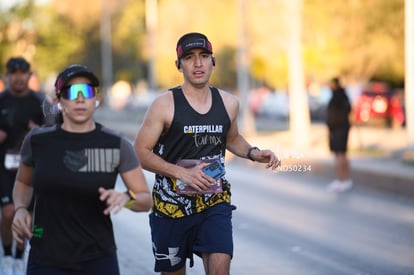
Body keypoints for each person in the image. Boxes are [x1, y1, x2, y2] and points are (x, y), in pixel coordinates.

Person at [134, 32, 281, 275]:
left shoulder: (229, 103)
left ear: (213, 61)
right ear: (179, 65)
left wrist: (254, 153)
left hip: (214, 202)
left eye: (204, 56)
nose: (198, 63)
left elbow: (232, 139)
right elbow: (140, 151)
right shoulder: (164, 104)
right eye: (190, 58)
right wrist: (182, 173)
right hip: (171, 208)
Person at [11, 64, 153, 274]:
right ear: (58, 100)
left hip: (97, 257)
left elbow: (145, 199)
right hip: (46, 257)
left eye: (86, 91)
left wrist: (126, 197)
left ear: (97, 98)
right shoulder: (37, 141)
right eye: (71, 92)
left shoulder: (116, 144)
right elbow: (23, 182)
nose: (79, 98)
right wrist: (20, 209)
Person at [0, 57, 50, 275]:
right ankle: (8, 255)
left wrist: (38, 131)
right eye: (14, 73)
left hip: (31, 167)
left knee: (27, 217)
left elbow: (57, 130)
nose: (18, 77)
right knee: (9, 213)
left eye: (23, 73)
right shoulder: (1, 100)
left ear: (30, 75)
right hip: (4, 168)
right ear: (7, 75)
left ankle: (20, 258)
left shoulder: (40, 101)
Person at [325, 77, 353, 192]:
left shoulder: (337, 97)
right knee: (343, 154)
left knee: (339, 155)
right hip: (342, 129)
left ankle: (340, 180)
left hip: (338, 130)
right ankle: (346, 179)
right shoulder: (344, 95)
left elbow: (334, 115)